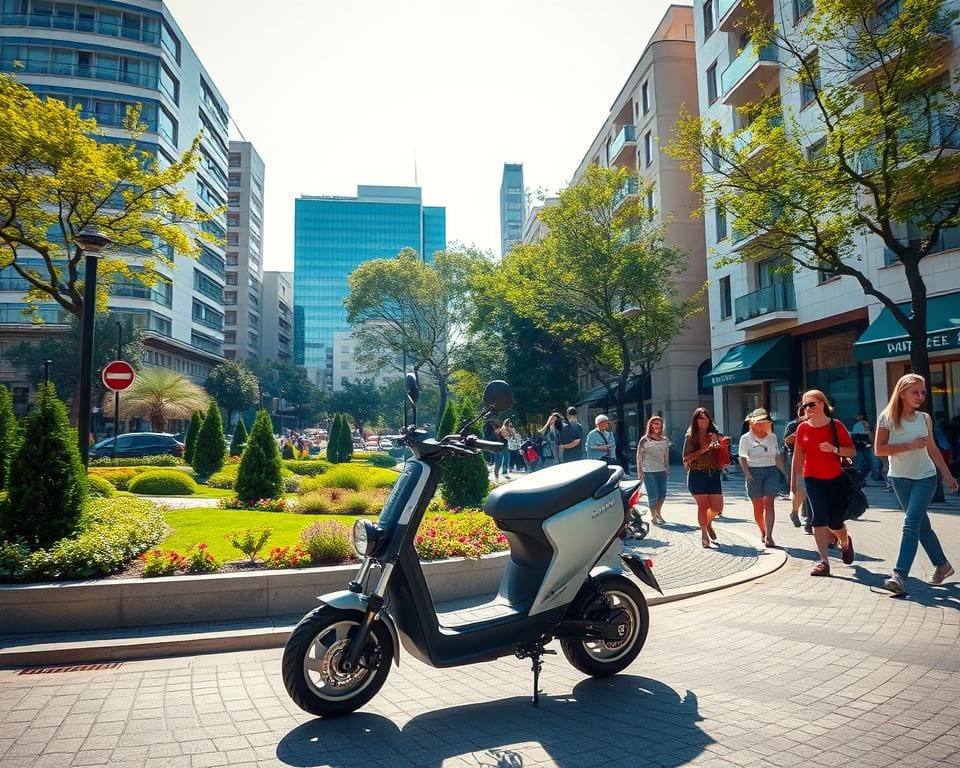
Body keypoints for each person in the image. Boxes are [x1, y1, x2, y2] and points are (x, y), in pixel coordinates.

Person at [874, 374, 959, 594]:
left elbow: (933, 449)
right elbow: (879, 450)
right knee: (922, 526)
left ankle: (899, 575)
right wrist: (908, 445)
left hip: (925, 478)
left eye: (923, 392)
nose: (921, 396)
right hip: (900, 479)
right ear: (902, 393)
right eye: (915, 392)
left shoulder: (924, 418)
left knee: (910, 524)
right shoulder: (887, 418)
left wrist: (948, 476)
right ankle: (942, 566)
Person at [790, 390, 856, 577]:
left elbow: (852, 452)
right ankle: (823, 562)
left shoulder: (836, 426)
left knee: (835, 522)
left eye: (812, 404)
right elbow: (798, 455)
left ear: (822, 404)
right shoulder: (802, 428)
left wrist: (834, 449)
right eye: (804, 405)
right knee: (818, 518)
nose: (807, 408)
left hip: (835, 477)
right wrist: (794, 480)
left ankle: (844, 541)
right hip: (811, 478)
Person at [738, 408, 787, 548]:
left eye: (765, 421)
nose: (763, 424)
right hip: (753, 472)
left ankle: (770, 536)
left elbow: (777, 455)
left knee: (769, 503)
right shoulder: (746, 438)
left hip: (771, 470)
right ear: (752, 423)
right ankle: (763, 531)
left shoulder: (772, 437)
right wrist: (747, 474)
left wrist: (784, 472)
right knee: (758, 507)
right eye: (759, 422)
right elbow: (742, 458)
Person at [682, 407, 727, 549]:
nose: (704, 421)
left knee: (717, 508)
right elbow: (686, 458)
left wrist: (718, 443)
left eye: (706, 417)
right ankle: (703, 534)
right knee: (703, 505)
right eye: (700, 418)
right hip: (697, 473)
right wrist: (705, 448)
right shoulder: (691, 436)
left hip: (714, 473)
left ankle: (707, 523)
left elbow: (723, 452)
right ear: (696, 420)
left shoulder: (715, 434)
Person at [636, 416, 670, 525]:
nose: (657, 425)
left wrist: (667, 468)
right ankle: (653, 516)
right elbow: (639, 456)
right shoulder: (644, 440)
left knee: (662, 494)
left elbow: (666, 455)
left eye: (659, 423)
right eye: (654, 423)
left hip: (661, 470)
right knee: (653, 495)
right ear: (650, 425)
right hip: (648, 471)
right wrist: (639, 471)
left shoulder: (665, 440)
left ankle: (658, 512)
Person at [783, 402, 811, 531]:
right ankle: (794, 512)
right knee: (800, 490)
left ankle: (809, 520)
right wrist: (795, 436)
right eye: (802, 411)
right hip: (796, 460)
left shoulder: (815, 424)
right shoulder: (793, 425)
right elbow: (786, 441)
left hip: (811, 461)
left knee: (810, 490)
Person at [851, 413, 881, 482]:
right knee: (859, 464)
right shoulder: (856, 425)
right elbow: (854, 437)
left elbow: (872, 438)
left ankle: (874, 477)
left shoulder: (866, 424)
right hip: (858, 447)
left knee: (874, 463)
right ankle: (859, 479)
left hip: (867, 447)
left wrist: (867, 432)